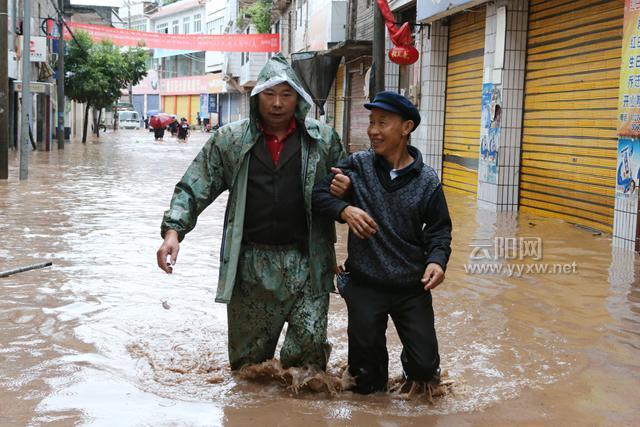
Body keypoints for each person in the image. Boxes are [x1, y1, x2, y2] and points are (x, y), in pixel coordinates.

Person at [156, 54, 346, 372]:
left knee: (309, 363)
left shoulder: (323, 141)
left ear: (299, 99)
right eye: (269, 94)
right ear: (257, 98)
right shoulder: (230, 141)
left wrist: (345, 193)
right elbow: (194, 186)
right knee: (249, 368)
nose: (277, 103)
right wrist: (173, 233)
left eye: (286, 95)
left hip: (309, 262)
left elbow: (351, 191)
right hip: (250, 266)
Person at [312, 91, 452, 394]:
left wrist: (436, 261)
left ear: (406, 127)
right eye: (371, 122)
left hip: (411, 288)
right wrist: (344, 207)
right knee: (365, 382)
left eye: (382, 123)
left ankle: (410, 368)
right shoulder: (357, 167)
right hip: (365, 286)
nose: (373, 130)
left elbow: (439, 230)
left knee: (424, 371)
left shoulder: (427, 181)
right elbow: (318, 196)